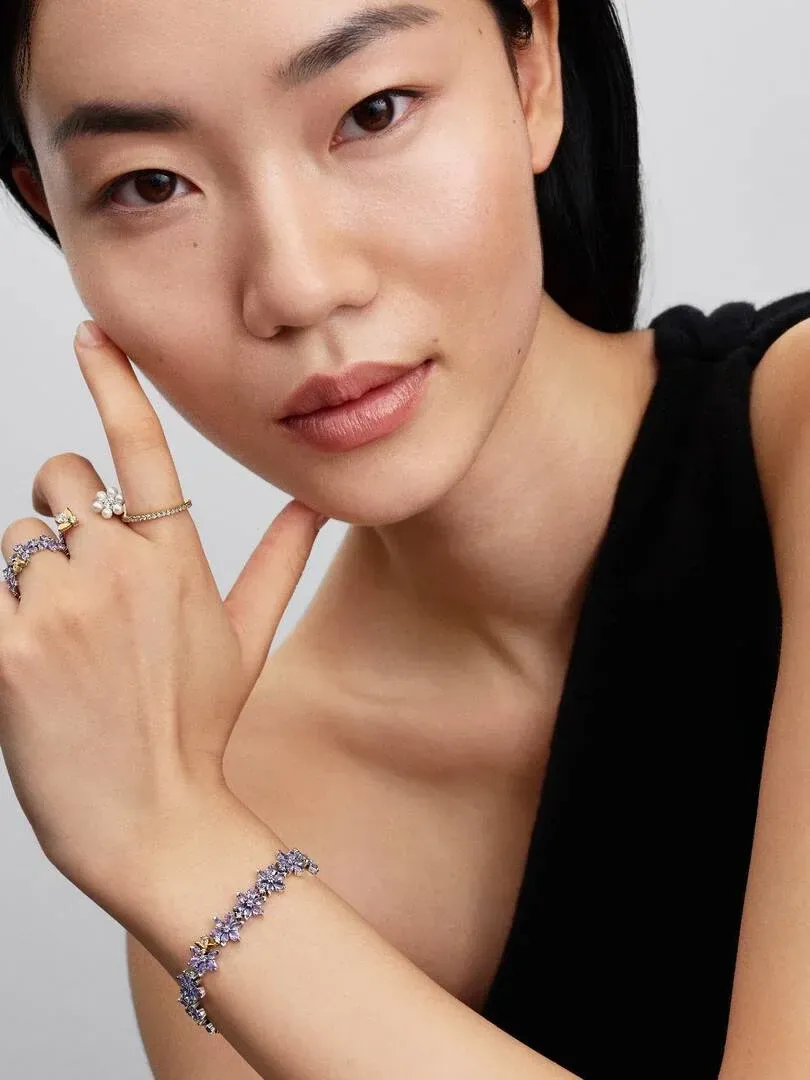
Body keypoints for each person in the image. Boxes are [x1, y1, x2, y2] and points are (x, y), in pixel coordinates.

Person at [0, 0, 808, 1077]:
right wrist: (176, 837)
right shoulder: (231, 823)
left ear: (534, 74)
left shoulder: (196, 852)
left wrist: (172, 846)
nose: (297, 284)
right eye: (150, 185)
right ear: (49, 214)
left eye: (373, 111)